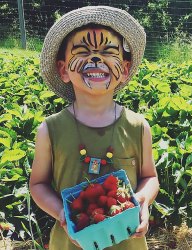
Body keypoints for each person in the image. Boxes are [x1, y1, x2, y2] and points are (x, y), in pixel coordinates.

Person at [29, 6, 159, 250]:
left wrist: (141, 199)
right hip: (70, 242)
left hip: (127, 241)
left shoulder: (138, 127)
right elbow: (37, 184)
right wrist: (61, 213)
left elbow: (150, 177)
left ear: (126, 68)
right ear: (63, 69)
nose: (96, 59)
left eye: (109, 52)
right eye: (83, 51)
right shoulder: (50, 130)